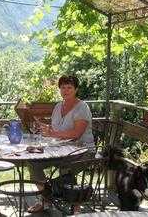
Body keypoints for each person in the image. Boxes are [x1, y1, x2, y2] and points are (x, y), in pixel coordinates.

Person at [27, 75, 95, 213]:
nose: (66, 90)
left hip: (83, 151)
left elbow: (76, 133)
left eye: (69, 87)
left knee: (65, 167)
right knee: (33, 163)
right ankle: (46, 200)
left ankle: (75, 206)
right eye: (63, 87)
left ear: (76, 89)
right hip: (60, 150)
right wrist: (44, 128)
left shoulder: (82, 107)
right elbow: (56, 130)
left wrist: (52, 134)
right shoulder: (58, 106)